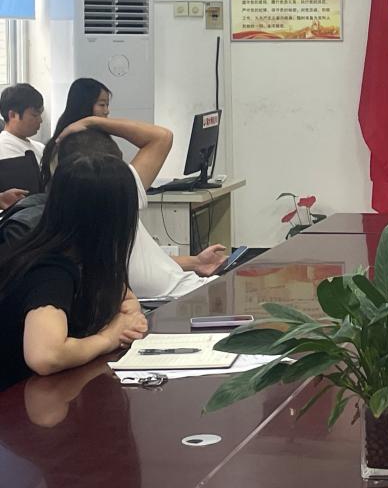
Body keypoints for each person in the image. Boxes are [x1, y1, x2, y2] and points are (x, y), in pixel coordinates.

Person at [0, 153, 148, 391]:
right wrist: (108, 338)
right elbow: (45, 356)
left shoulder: (87, 259)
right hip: (19, 402)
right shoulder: (50, 271)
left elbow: (125, 297)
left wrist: (129, 316)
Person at [56, 117, 227, 298]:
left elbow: (139, 264)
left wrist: (195, 262)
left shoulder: (108, 197)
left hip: (191, 291)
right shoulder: (120, 192)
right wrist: (92, 121)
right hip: (182, 301)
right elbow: (161, 137)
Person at [39, 78, 112, 189]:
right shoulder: (78, 141)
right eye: (102, 105)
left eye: (107, 105)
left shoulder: (73, 133)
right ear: (84, 104)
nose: (107, 111)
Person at [0, 83, 45, 163]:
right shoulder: (4, 148)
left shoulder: (40, 147)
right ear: (13, 115)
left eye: (40, 114)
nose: (40, 120)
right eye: (35, 115)